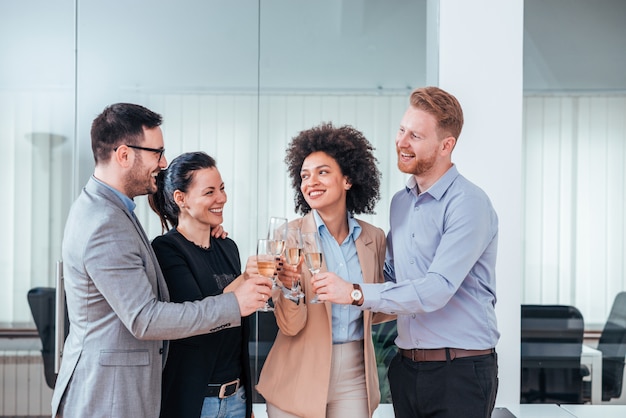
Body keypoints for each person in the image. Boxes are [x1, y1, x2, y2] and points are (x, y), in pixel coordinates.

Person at [51, 103, 272, 418]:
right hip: (109, 395)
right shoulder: (105, 221)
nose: (164, 162)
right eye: (157, 152)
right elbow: (145, 319)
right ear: (124, 155)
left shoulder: (112, 211)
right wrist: (235, 303)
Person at [313, 87, 500, 418]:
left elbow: (436, 289)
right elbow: (392, 278)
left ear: (446, 145)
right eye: (402, 130)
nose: (402, 142)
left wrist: (353, 293)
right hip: (407, 368)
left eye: (415, 135)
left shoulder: (468, 204)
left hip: (459, 372)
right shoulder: (402, 203)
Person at [256, 122, 394, 418]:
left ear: (347, 179)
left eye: (322, 172)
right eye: (304, 175)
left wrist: (356, 294)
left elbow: (383, 307)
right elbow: (289, 326)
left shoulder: (374, 238)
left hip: (355, 374)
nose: (311, 182)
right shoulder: (287, 236)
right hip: (297, 374)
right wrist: (292, 291)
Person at [149, 151, 254, 418]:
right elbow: (196, 319)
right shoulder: (166, 249)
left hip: (237, 398)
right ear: (181, 199)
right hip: (197, 402)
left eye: (221, 189)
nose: (222, 199)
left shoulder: (228, 247)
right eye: (209, 192)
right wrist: (247, 278)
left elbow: (237, 328)